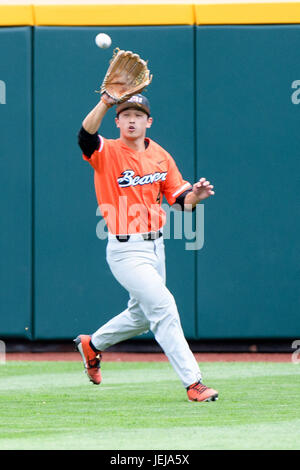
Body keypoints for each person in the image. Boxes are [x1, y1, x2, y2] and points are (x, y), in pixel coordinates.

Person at [75, 92, 218, 402]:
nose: (131, 119)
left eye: (138, 115)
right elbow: (85, 134)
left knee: (141, 315)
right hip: (125, 251)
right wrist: (105, 101)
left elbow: (181, 201)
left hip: (157, 247)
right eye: (125, 114)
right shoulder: (106, 152)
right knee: (164, 307)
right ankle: (194, 383)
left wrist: (196, 196)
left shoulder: (161, 156)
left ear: (148, 121)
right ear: (116, 120)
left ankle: (93, 345)